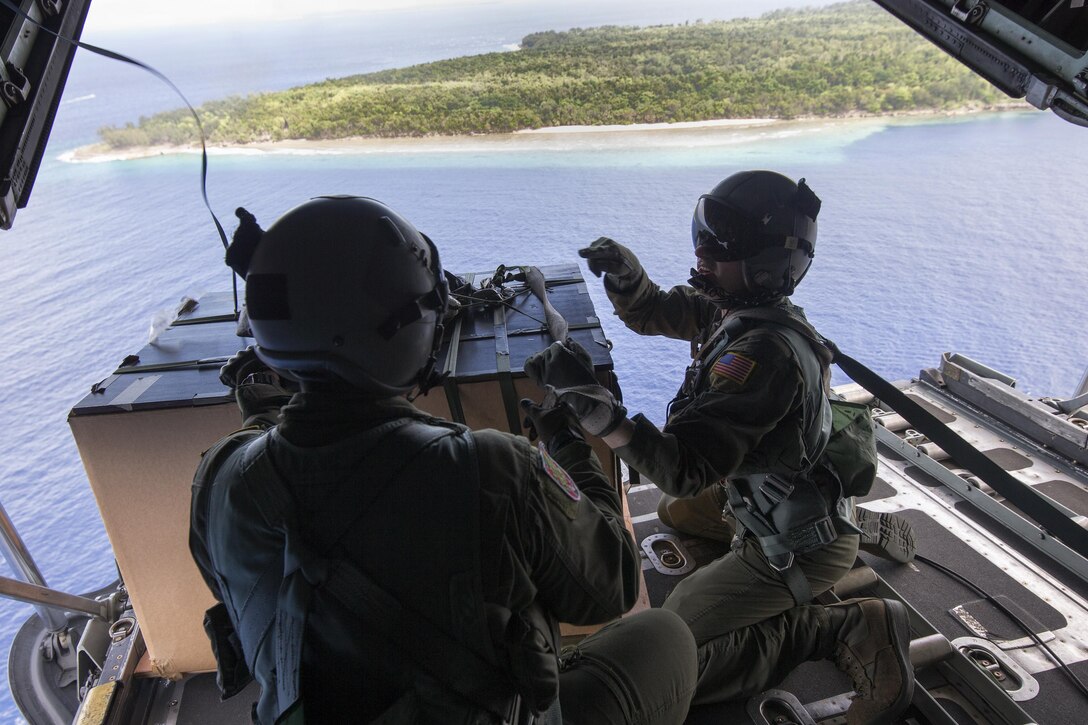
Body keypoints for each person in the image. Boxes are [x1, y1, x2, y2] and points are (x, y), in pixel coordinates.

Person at [188, 195, 697, 724]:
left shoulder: (220, 475)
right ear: (405, 332)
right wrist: (567, 445)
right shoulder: (494, 468)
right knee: (666, 636)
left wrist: (273, 406)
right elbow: (611, 585)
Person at [524, 171, 915, 724]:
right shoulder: (732, 311)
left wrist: (597, 411)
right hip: (766, 493)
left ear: (765, 262)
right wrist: (628, 278)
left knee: (671, 644)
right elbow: (654, 311)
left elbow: (682, 468)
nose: (702, 254)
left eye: (720, 246)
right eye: (702, 238)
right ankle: (842, 525)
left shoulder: (762, 354)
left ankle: (838, 625)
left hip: (793, 541)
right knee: (672, 515)